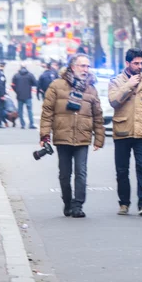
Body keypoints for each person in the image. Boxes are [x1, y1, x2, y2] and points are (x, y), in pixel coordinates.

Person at [39, 55, 105, 218]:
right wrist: (45, 135)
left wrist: (99, 138)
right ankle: (67, 202)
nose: (85, 70)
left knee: (81, 172)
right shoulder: (56, 85)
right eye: (82, 66)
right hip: (63, 135)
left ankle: (78, 205)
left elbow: (98, 115)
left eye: (87, 66)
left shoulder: (91, 89)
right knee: (64, 173)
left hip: (82, 136)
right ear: (72, 67)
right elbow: (47, 111)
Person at [108, 48, 142, 216]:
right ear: (127, 64)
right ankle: (124, 203)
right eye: (135, 63)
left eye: (141, 63)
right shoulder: (116, 81)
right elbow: (114, 102)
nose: (139, 66)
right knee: (122, 170)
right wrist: (128, 86)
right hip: (122, 131)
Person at [11, 63, 37, 129]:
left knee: (20, 111)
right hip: (28, 95)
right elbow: (35, 83)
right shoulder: (30, 75)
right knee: (29, 110)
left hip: (19, 95)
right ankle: (31, 124)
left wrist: (16, 91)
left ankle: (22, 124)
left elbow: (12, 85)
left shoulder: (16, 75)